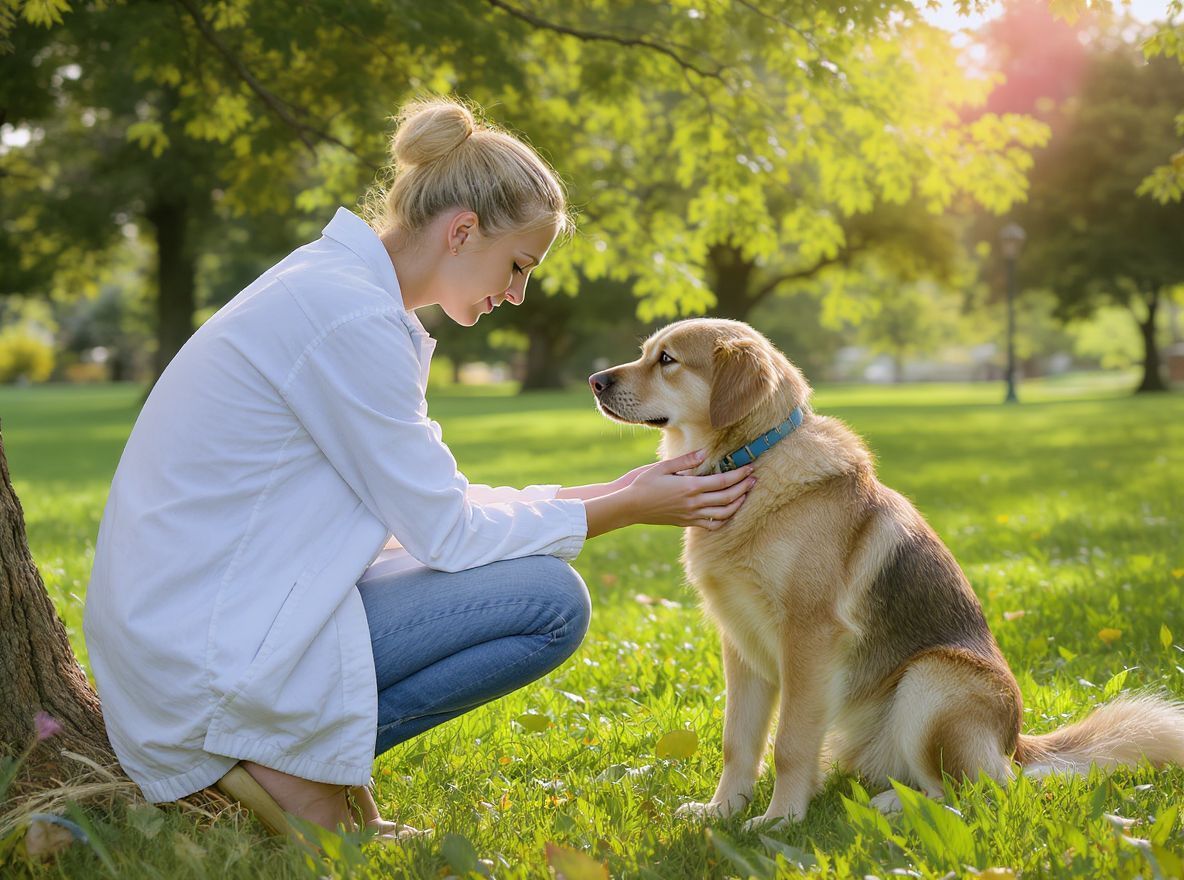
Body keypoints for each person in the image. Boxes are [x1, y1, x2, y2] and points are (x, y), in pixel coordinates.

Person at [82, 96, 755, 843]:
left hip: (213, 623)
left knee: (533, 579)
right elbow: (448, 534)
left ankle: (306, 764)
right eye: (519, 265)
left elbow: (436, 505)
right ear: (462, 231)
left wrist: (619, 489)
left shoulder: (341, 295)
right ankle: (289, 773)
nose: (517, 292)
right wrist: (626, 509)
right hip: (203, 659)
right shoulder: (349, 318)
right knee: (547, 601)